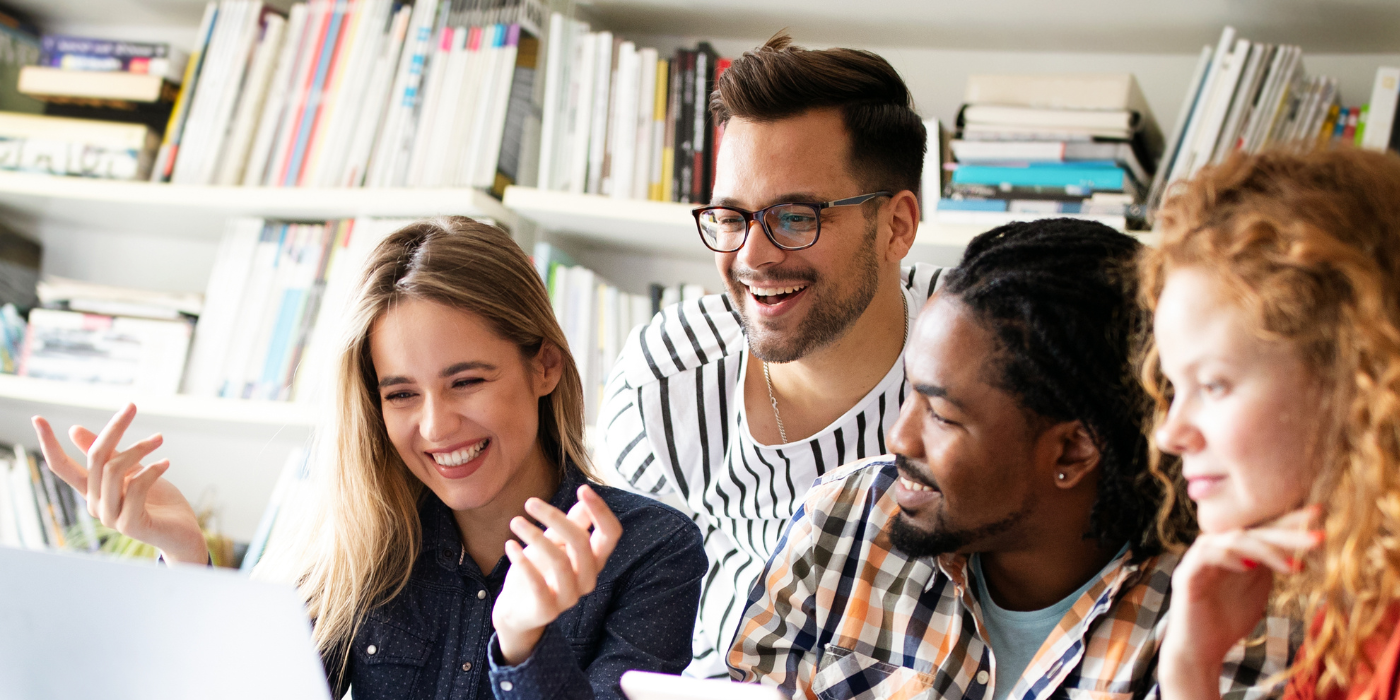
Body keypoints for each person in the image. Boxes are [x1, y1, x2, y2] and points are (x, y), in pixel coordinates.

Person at [30, 217, 706, 700]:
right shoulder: (361, 538)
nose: (437, 426)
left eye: (467, 380)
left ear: (545, 366)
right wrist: (185, 563)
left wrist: (520, 644)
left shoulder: (652, 549)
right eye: (402, 394)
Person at [728, 220, 1297, 700]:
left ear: (1072, 450)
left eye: (943, 416)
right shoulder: (843, 521)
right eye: (910, 393)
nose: (899, 438)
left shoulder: (1226, 616)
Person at [598, 32, 939, 676]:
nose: (752, 257)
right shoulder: (664, 383)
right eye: (732, 217)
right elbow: (627, 630)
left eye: (795, 216)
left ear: (897, 225)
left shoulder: (987, 352)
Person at [1145, 149, 1400, 700]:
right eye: (1172, 387)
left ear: (1355, 377)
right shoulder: (1353, 620)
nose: (1170, 433)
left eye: (1213, 385)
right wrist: (1190, 665)